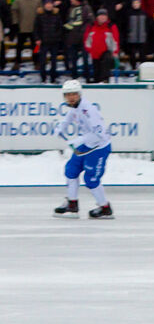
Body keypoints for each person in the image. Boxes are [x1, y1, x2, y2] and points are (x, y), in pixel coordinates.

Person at [50, 80, 114, 220]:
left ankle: (105, 208)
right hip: (87, 144)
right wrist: (61, 127)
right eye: (68, 95)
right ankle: (72, 204)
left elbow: (99, 133)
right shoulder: (75, 107)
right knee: (71, 170)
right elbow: (69, 117)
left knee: (91, 179)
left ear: (79, 94)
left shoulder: (89, 110)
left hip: (99, 147)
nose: (71, 97)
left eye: (74, 94)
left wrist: (79, 140)